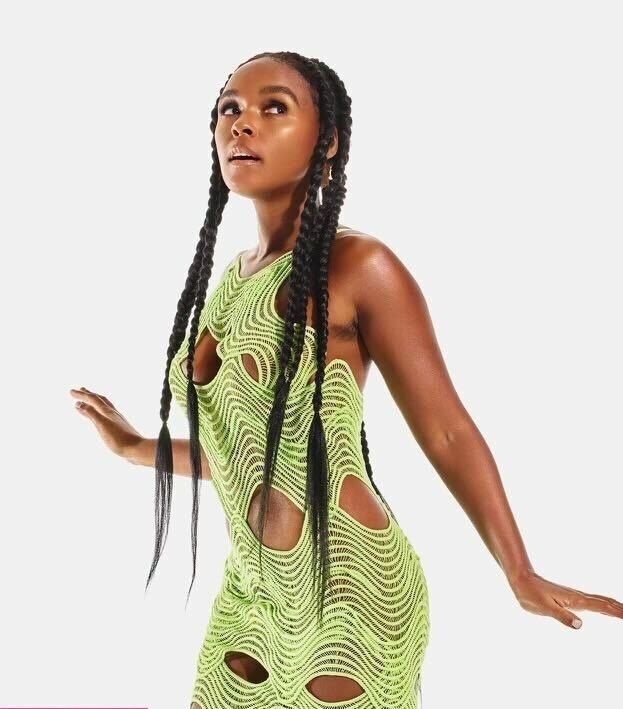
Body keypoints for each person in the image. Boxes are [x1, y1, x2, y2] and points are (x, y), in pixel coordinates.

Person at [69, 51, 623, 709]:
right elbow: (252, 453)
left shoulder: (360, 265)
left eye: (274, 108)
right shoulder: (232, 279)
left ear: (326, 140)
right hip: (252, 594)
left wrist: (518, 569)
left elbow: (446, 430)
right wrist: (135, 447)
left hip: (351, 593)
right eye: (229, 110)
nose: (241, 124)